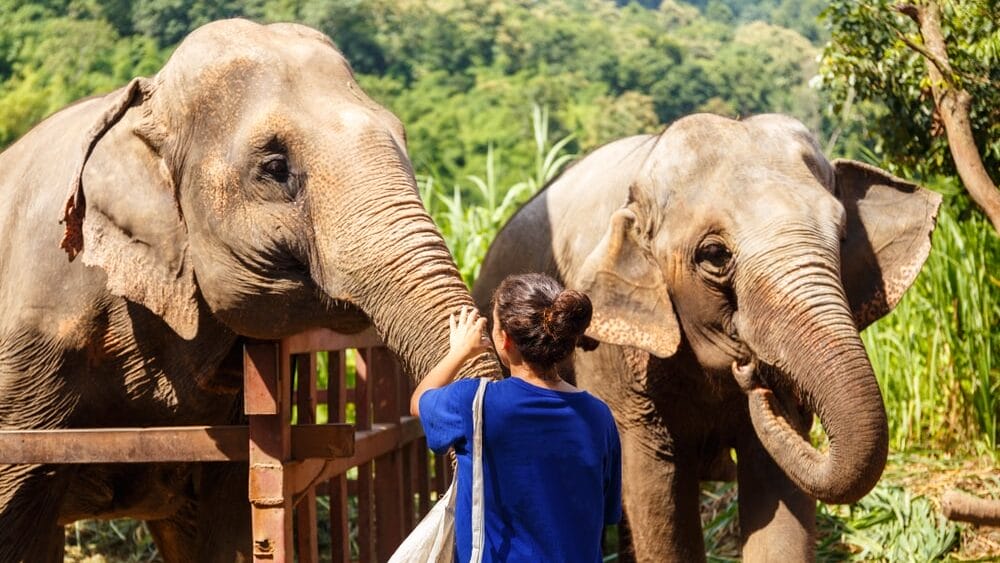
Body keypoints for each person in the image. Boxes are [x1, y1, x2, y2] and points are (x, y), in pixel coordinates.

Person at [410, 273, 622, 562]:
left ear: (505, 339)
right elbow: (607, 510)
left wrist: (458, 351)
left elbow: (418, 402)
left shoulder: (475, 403)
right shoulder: (599, 417)